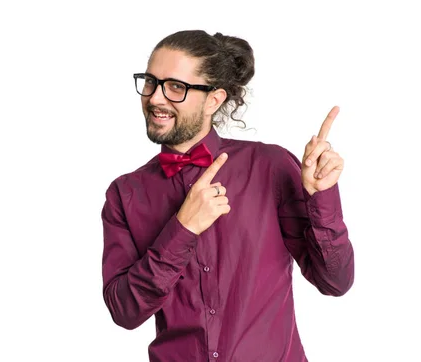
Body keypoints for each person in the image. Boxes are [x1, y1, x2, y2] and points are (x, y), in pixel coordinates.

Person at [101, 29, 355, 362]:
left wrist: (322, 199)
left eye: (175, 87)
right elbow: (124, 311)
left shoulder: (270, 167)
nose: (155, 98)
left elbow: (335, 281)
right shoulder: (126, 193)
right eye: (150, 82)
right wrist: (182, 229)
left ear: (214, 100)